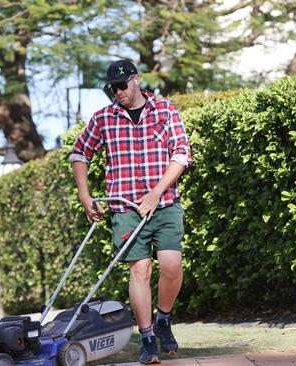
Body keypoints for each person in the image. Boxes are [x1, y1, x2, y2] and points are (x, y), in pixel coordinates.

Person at [69, 60, 193, 364]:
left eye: (123, 85)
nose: (118, 92)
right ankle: (148, 338)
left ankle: (163, 318)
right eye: (113, 88)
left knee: (171, 265)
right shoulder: (104, 118)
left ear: (136, 80)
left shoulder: (165, 110)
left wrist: (155, 193)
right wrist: (84, 194)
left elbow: (181, 155)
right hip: (125, 208)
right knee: (140, 270)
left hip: (163, 204)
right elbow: (79, 153)